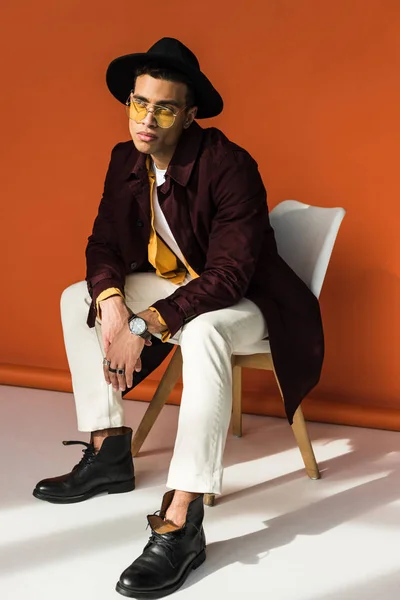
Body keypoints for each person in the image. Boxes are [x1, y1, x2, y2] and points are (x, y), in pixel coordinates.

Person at [33, 37, 324, 598]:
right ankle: (109, 450)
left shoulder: (230, 165)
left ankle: (182, 518)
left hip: (253, 303)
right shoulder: (127, 158)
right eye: (138, 103)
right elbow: (103, 244)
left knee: (208, 330)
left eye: (163, 108)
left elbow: (229, 277)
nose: (146, 119)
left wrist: (144, 326)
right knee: (80, 297)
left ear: (189, 115)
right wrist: (114, 303)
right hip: (180, 285)